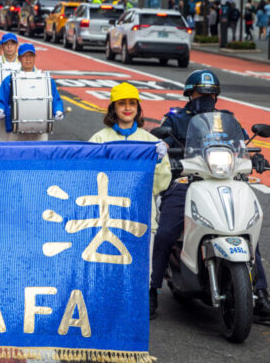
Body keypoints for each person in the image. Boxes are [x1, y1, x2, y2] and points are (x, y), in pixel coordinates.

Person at [149, 70, 270, 320]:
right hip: (186, 182)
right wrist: (167, 158)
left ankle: (260, 294)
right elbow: (160, 146)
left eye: (211, 93)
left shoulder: (228, 120)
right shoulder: (174, 120)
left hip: (226, 180)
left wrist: (255, 157)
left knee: (249, 232)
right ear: (189, 94)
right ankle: (152, 289)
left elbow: (242, 147)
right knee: (165, 233)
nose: (206, 97)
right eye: (201, 93)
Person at [88, 83, 171, 233]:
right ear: (113, 108)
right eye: (122, 103)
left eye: (132, 103)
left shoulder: (151, 142)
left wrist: (158, 161)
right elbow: (89, 178)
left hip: (141, 216)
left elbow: (160, 184)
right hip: (107, 217)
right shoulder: (99, 139)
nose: (127, 108)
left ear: (138, 108)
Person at [0, 43, 64, 141]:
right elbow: (1, 99)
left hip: (40, 129)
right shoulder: (10, 79)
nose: (28, 59)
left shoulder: (45, 79)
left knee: (40, 155)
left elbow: (55, 99)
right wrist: (0, 109)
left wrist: (58, 110)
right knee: (17, 155)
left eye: (31, 56)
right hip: (16, 129)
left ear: (35, 57)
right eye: (25, 56)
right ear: (19, 58)